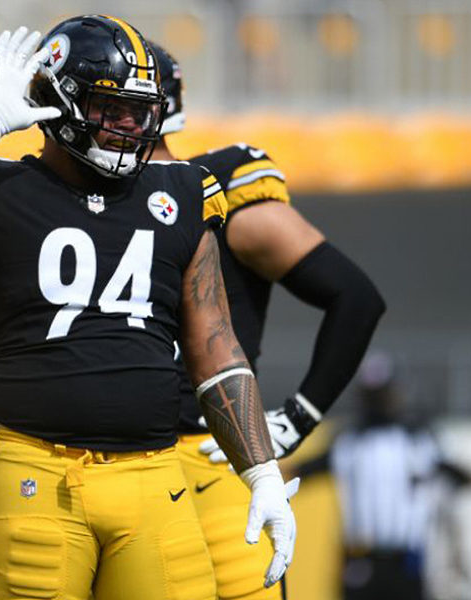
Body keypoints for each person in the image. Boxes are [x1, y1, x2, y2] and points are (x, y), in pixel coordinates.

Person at [0, 15, 300, 600]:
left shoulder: (183, 191)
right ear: (60, 101)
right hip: (36, 470)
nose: (131, 125)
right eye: (113, 107)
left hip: (155, 475)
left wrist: (262, 475)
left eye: (141, 109)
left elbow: (216, 349)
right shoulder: (2, 192)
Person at [145, 40, 386, 599]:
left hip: (215, 454)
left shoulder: (218, 193)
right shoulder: (64, 205)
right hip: (114, 463)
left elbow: (357, 298)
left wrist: (297, 417)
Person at [287, 353, 471, 600]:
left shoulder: (418, 441)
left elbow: (455, 472)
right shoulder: (349, 442)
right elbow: (302, 472)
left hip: (406, 562)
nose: (380, 402)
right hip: (361, 559)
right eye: (374, 395)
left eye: (383, 394)